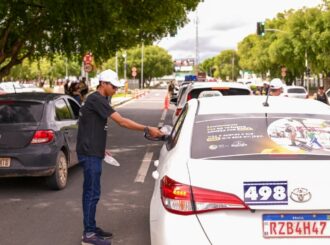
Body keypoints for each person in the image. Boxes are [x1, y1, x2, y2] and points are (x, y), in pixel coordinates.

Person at [76, 69, 163, 245]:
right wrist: (147, 128)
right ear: (103, 84)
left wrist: (100, 148)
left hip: (93, 151)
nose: (116, 89)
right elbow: (122, 121)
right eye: (113, 86)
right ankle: (89, 235)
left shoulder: (96, 100)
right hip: (90, 154)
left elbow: (89, 128)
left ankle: (91, 227)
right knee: (91, 193)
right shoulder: (97, 100)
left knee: (93, 192)